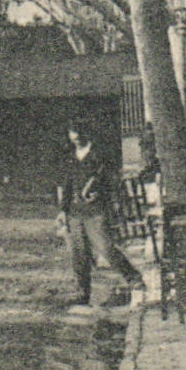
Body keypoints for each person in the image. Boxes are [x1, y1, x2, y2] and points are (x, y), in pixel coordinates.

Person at [57, 123, 144, 308]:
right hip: (75, 211)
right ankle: (82, 293)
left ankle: (134, 278)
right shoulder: (70, 157)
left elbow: (113, 181)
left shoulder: (99, 155)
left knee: (105, 247)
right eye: (73, 132)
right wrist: (63, 210)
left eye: (80, 131)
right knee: (79, 253)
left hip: (96, 210)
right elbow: (66, 185)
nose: (77, 136)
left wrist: (101, 194)